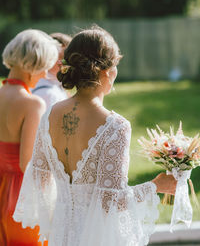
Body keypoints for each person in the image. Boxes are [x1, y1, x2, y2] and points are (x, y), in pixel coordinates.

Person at [13, 26, 176, 246]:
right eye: (115, 65)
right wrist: (156, 185)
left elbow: (40, 179)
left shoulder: (49, 114)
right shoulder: (116, 126)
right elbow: (111, 201)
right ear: (105, 71)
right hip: (96, 238)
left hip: (60, 235)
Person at [0, 29, 59, 246]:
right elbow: (27, 163)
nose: (44, 75)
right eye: (44, 68)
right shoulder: (33, 104)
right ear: (31, 65)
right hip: (20, 197)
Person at [31, 33, 72, 108]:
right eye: (61, 56)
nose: (63, 62)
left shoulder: (57, 86)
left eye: (68, 58)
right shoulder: (47, 93)